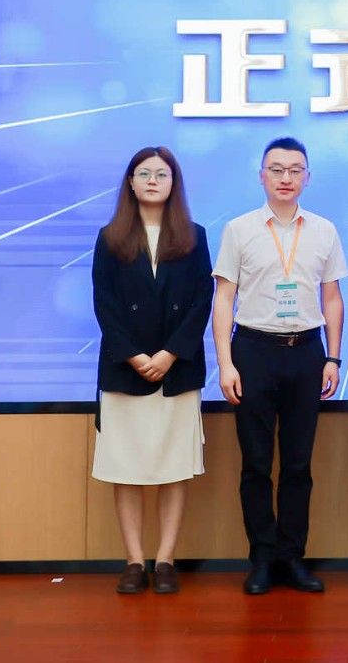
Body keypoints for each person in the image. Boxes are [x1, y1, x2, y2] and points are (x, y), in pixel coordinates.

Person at [212, 137, 347, 595]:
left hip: (306, 352)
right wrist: (226, 364)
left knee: (298, 463)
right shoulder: (239, 230)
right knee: (255, 463)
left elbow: (332, 297)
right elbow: (223, 298)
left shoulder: (324, 230)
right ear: (262, 176)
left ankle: (292, 557)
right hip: (253, 351)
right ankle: (262, 558)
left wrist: (332, 357)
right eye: (277, 169)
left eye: (295, 170)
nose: (286, 178)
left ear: (307, 177)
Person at [90, 146, 213, 596]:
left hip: (177, 371)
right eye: (144, 173)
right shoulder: (109, 237)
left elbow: (202, 302)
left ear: (174, 182)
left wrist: (170, 354)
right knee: (125, 468)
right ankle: (133, 560)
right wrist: (135, 356)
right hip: (125, 371)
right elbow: (104, 304)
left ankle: (165, 560)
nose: (153, 181)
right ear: (130, 181)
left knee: (173, 467)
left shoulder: (195, 236)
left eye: (162, 174)